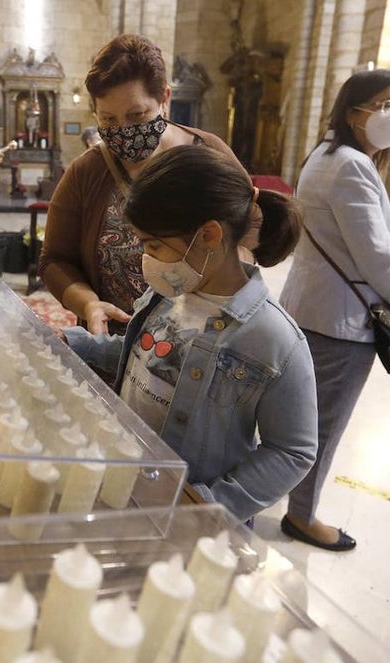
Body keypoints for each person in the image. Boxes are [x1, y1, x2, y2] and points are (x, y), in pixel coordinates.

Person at [61, 144, 317, 521]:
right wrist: (76, 344)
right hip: (130, 482)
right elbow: (149, 357)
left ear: (209, 236)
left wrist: (206, 506)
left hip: (186, 515)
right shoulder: (170, 293)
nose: (145, 259)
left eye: (155, 245)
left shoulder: (273, 339)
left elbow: (293, 450)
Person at [279, 68, 390, 551]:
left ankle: (279, 496)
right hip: (341, 320)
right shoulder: (352, 164)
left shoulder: (324, 156)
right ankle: (302, 518)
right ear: (353, 111)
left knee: (294, 415)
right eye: (386, 103)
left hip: (309, 307)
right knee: (323, 426)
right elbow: (376, 253)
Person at [40, 34, 248, 337]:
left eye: (136, 115)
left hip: (203, 338)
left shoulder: (208, 152)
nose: (123, 130)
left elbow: (251, 222)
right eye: (109, 120)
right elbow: (54, 260)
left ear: (164, 99)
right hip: (116, 342)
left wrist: (231, 272)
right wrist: (88, 304)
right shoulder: (86, 172)